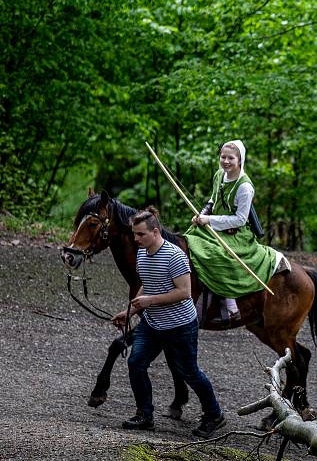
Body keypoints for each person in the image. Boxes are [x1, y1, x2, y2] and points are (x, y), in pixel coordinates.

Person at [111, 208, 226, 438]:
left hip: (180, 326)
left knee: (190, 372)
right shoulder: (143, 252)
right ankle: (145, 415)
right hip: (152, 324)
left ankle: (214, 415)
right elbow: (148, 283)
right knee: (136, 363)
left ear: (155, 231)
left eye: (140, 234)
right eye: (134, 234)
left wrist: (149, 301)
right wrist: (131, 311)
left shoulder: (175, 256)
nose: (136, 239)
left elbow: (184, 292)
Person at [184, 140, 284, 326]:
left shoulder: (245, 187)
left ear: (240, 160)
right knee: (190, 240)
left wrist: (210, 220)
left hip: (237, 233)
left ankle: (229, 302)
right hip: (215, 226)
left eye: (231, 158)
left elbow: (240, 219)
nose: (226, 161)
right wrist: (202, 214)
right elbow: (213, 200)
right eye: (223, 157)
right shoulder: (219, 175)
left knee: (218, 253)